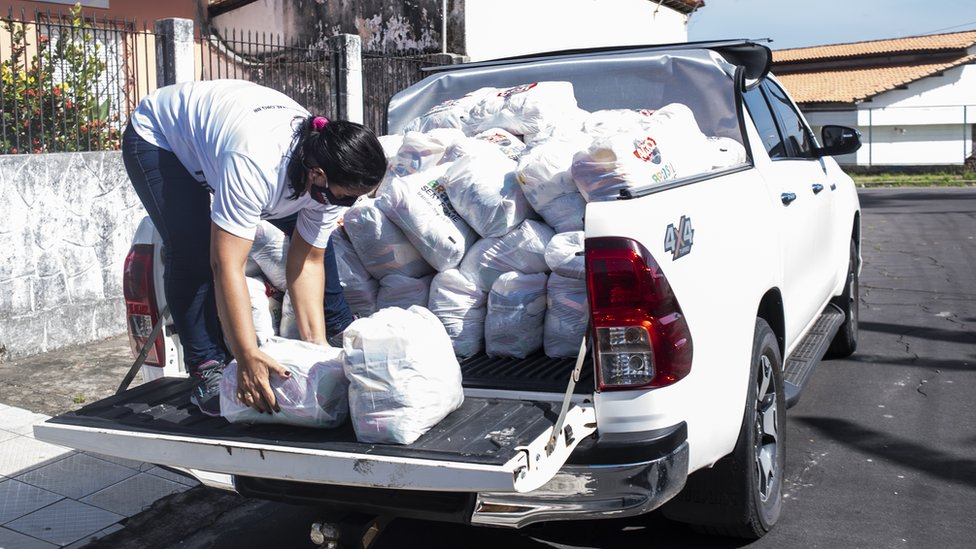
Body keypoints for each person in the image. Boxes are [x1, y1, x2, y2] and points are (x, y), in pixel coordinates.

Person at [122, 79, 387, 417]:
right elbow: (226, 265)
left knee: (318, 241)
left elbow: (307, 263)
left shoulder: (326, 174)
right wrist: (247, 356)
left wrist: (315, 351)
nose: (349, 205)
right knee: (192, 249)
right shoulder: (255, 165)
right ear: (317, 174)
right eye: (346, 196)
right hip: (161, 139)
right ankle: (207, 366)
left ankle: (332, 328)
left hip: (241, 134)